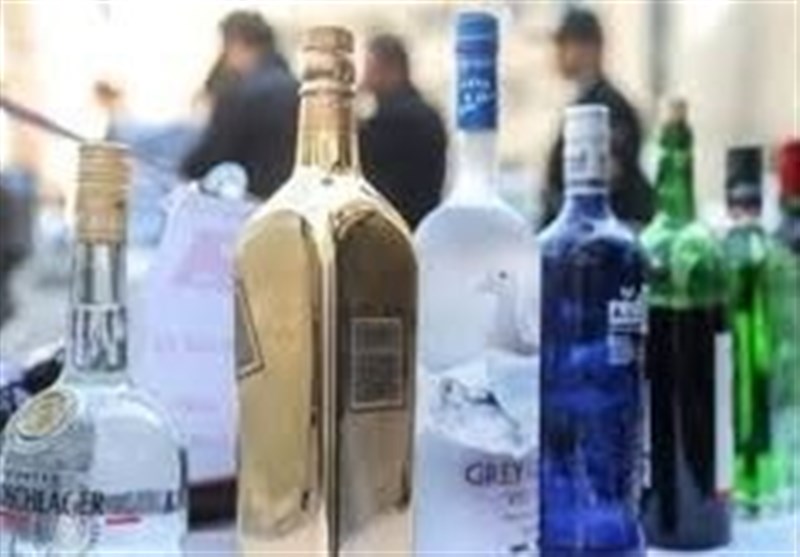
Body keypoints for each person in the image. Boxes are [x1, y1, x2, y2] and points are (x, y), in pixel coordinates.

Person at [542, 8, 653, 228]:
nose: (557, 54)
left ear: (589, 48)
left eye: (564, 44)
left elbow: (606, 183)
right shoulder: (587, 101)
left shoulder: (607, 107)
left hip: (603, 233)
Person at [181, 10, 298, 199]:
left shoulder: (239, 94)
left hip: (250, 204)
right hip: (292, 203)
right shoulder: (301, 91)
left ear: (236, 44)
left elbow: (206, 160)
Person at [359, 34, 447, 229]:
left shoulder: (392, 121)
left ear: (391, 69)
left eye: (369, 67)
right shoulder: (427, 115)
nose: (364, 77)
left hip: (395, 230)